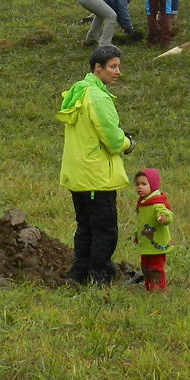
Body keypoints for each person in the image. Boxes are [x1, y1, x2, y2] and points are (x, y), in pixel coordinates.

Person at [56, 44, 134, 285]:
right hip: (96, 177)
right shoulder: (98, 97)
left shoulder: (79, 90)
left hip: (78, 175)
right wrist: (127, 143)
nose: (117, 71)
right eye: (112, 66)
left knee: (85, 227)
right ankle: (100, 277)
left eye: (118, 66)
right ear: (97, 68)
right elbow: (111, 138)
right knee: (105, 229)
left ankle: (79, 275)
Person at [132, 168, 173, 292]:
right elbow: (142, 223)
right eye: (138, 184)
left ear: (153, 185)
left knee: (156, 267)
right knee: (145, 266)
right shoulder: (143, 202)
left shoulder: (157, 202)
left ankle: (157, 289)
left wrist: (163, 218)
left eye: (144, 184)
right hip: (146, 243)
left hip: (157, 243)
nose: (140, 187)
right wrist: (137, 235)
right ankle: (148, 286)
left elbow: (167, 214)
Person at [78, 0, 143, 47]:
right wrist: (129, 29)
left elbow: (118, 12)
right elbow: (123, 13)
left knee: (101, 15)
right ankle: (105, 45)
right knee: (111, 17)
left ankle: (91, 40)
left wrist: (126, 27)